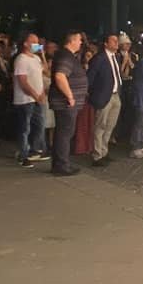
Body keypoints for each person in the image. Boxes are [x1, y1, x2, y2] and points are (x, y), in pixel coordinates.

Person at [49, 31, 89, 176]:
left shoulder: (68, 56)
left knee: (63, 133)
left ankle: (60, 163)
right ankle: (62, 165)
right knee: (65, 133)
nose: (81, 42)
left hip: (66, 102)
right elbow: (60, 76)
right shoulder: (65, 56)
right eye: (79, 40)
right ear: (72, 40)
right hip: (65, 102)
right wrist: (70, 96)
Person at [86, 33, 123, 167]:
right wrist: (93, 94)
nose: (116, 43)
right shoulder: (99, 58)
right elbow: (90, 77)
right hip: (103, 96)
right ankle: (97, 155)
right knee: (100, 125)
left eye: (117, 41)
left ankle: (104, 151)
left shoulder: (116, 57)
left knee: (110, 125)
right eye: (113, 41)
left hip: (115, 95)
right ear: (106, 44)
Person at [13, 33, 49, 168]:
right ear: (25, 44)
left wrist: (42, 55)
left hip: (37, 98)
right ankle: (23, 155)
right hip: (25, 99)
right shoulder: (21, 59)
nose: (37, 44)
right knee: (25, 128)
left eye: (37, 42)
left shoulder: (36, 58)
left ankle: (35, 149)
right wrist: (35, 95)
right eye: (33, 42)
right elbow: (23, 82)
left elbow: (45, 71)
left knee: (40, 125)